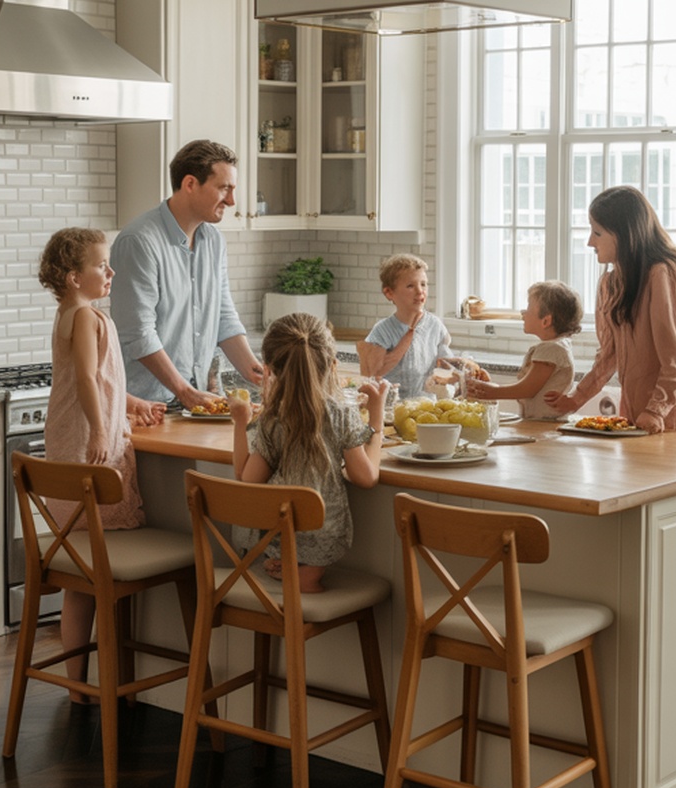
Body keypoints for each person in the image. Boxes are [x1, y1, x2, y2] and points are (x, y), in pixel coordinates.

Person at [38, 227, 165, 699]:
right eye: (101, 265)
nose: (111, 272)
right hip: (87, 449)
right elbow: (89, 380)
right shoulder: (88, 316)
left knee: (80, 577)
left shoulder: (69, 313)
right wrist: (98, 429)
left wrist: (131, 405)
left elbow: (97, 379)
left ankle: (76, 687)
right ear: (74, 277)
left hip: (65, 446)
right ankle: (118, 679)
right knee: (96, 570)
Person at [229, 313, 388, 593]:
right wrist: (377, 417)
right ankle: (306, 583)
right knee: (315, 540)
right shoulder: (341, 414)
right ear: (333, 366)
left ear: (268, 369)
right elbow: (366, 477)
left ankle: (286, 571)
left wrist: (240, 424)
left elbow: (248, 480)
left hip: (275, 539)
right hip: (325, 541)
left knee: (283, 529)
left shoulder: (272, 420)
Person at [110, 139, 262, 412]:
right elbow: (138, 334)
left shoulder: (214, 241)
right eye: (224, 188)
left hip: (194, 402)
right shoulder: (139, 241)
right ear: (190, 184)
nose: (231, 200)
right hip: (144, 408)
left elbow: (224, 319)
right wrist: (184, 390)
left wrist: (258, 375)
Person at [547, 186, 676, 433]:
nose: (590, 242)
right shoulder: (611, 284)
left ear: (624, 234)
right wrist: (576, 398)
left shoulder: (662, 274)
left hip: (670, 418)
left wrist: (655, 410)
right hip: (635, 416)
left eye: (597, 233)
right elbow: (609, 354)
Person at [357, 253, 487, 397]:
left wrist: (463, 367)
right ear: (389, 293)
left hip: (426, 408)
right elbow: (370, 375)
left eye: (423, 284)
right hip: (392, 409)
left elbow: (442, 363)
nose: (420, 291)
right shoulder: (382, 331)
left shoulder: (435, 325)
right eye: (410, 286)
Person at [467, 281, 582, 419]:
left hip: (544, 424)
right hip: (546, 423)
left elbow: (527, 389)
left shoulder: (550, 349)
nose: (523, 313)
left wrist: (490, 391)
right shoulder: (558, 346)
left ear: (546, 321)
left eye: (528, 308)